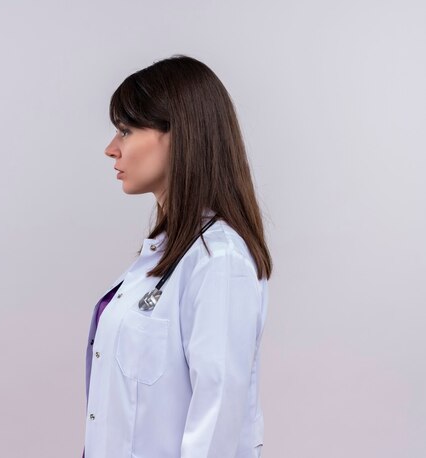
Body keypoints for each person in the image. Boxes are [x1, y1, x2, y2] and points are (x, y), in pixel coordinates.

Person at [82, 54, 272, 458]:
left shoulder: (219, 262)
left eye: (126, 130)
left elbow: (215, 431)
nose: (111, 149)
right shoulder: (164, 255)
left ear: (178, 135)